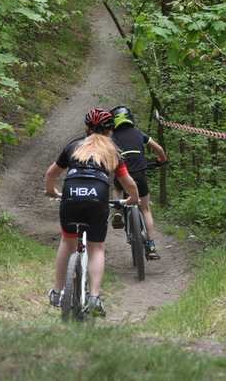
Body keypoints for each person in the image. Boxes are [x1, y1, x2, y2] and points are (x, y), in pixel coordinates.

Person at [45, 108, 139, 316]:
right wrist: (133, 198)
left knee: (67, 242)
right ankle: (94, 297)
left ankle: (58, 292)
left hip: (71, 193)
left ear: (87, 128)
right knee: (96, 248)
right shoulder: (113, 151)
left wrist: (51, 191)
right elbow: (127, 182)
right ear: (110, 131)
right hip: (98, 197)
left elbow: (51, 174)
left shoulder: (73, 146)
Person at [109, 105, 167, 260]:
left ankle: (118, 211)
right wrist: (162, 160)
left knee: (116, 186)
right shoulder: (139, 134)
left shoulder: (112, 138)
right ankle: (151, 245)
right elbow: (159, 149)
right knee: (146, 209)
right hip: (140, 177)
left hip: (123, 177)